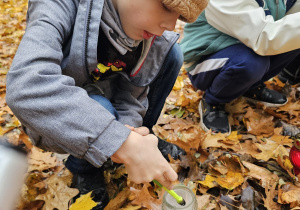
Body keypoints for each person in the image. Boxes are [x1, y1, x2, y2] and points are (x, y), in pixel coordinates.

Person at [6, 0, 208, 208]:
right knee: (100, 107)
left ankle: (143, 138)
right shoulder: (59, 5)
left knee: (171, 53)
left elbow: (132, 95)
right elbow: (26, 84)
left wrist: (128, 132)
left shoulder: (150, 35)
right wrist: (117, 140)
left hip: (107, 96)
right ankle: (84, 169)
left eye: (179, 18)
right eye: (166, 7)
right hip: (56, 115)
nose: (171, 25)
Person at [180, 0, 300, 135]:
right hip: (205, 57)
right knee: (252, 63)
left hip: (244, 46)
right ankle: (213, 100)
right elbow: (264, 37)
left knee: (293, 40)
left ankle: (250, 86)